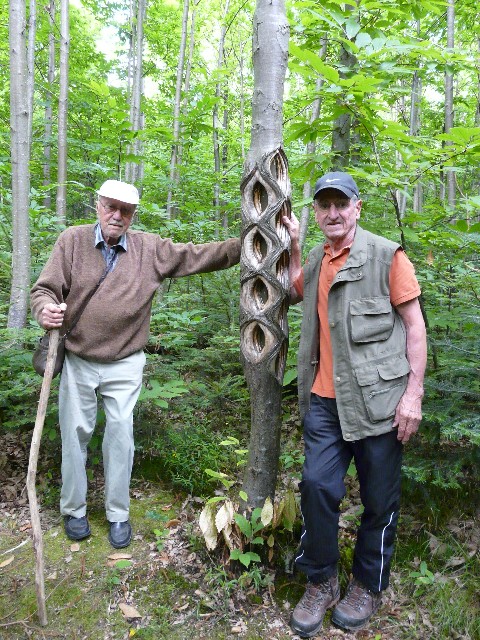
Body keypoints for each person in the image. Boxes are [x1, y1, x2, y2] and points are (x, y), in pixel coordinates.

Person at [31, 180, 241, 549]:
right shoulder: (72, 240)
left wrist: (250, 244)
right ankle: (74, 510)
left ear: (133, 215)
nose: (117, 215)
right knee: (74, 434)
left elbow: (199, 255)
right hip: (78, 357)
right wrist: (45, 310)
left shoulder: (150, 249)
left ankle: (118, 514)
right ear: (98, 206)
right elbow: (45, 289)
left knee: (121, 436)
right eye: (110, 207)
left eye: (125, 210)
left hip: (125, 359)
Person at [282, 171, 427, 636]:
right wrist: (293, 245)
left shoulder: (387, 256)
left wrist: (413, 394)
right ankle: (321, 580)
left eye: (340, 203)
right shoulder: (318, 259)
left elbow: (415, 326)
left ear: (357, 206)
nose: (332, 212)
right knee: (317, 487)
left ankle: (367, 584)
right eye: (323, 205)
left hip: (380, 403)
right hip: (325, 401)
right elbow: (293, 290)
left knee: (379, 501)